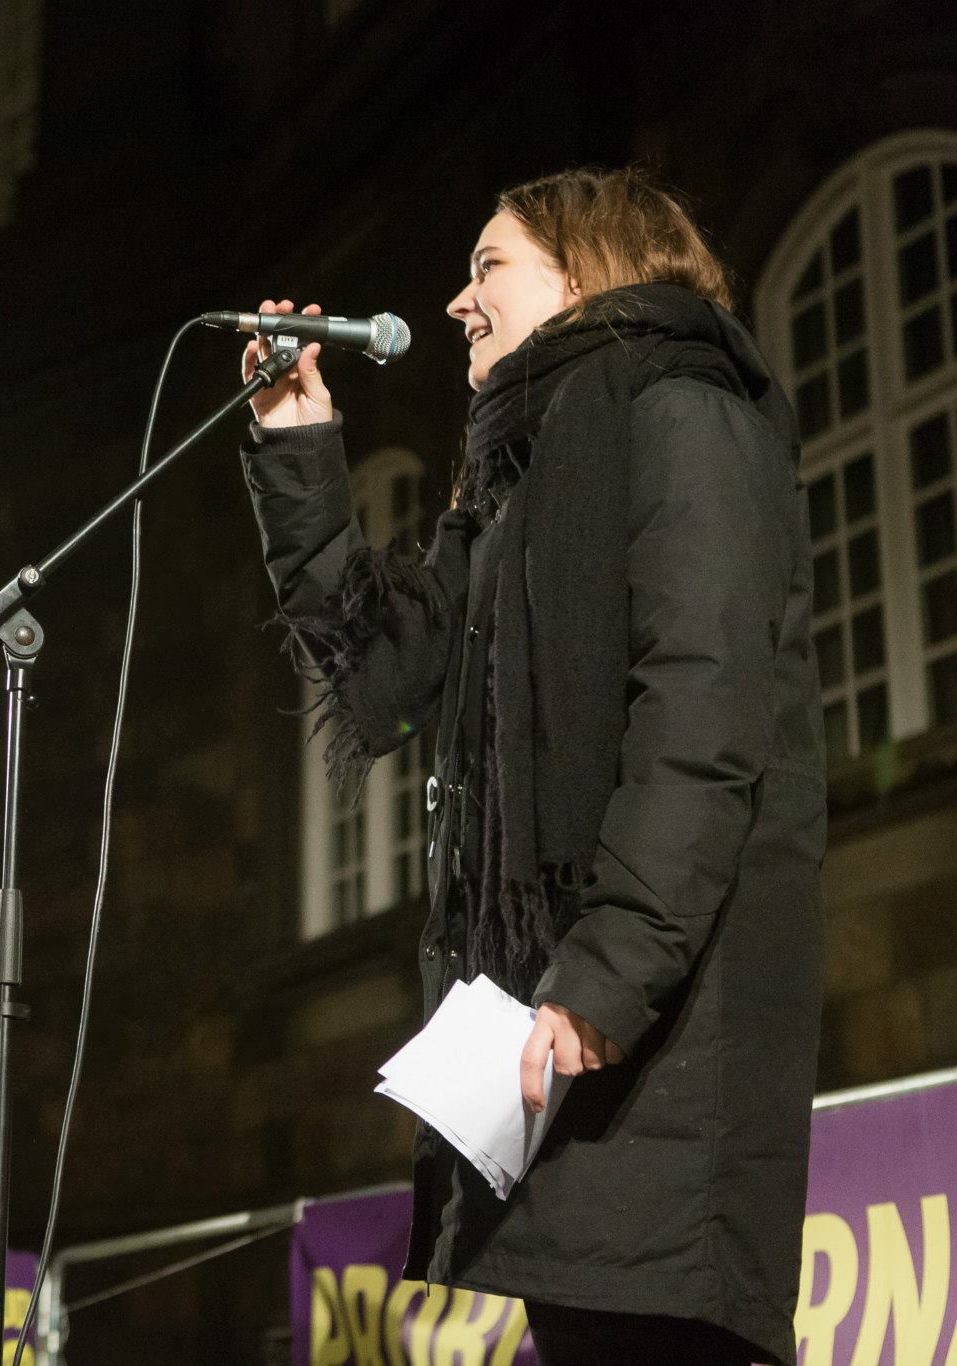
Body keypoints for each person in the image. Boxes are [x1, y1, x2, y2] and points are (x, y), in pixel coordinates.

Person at [239, 168, 823, 1365]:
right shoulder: (511, 486)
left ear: (579, 274)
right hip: (570, 1037)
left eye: (485, 266)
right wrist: (298, 447)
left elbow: (699, 720)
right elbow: (383, 674)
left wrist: (601, 980)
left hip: (661, 1038)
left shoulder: (682, 410)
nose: (457, 301)